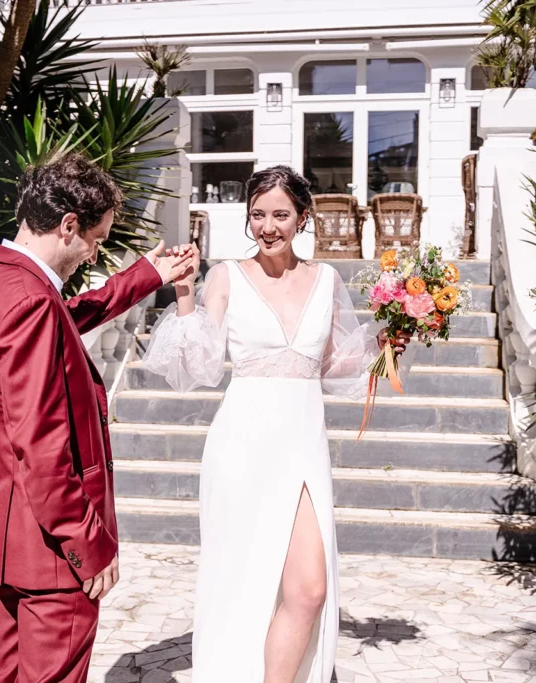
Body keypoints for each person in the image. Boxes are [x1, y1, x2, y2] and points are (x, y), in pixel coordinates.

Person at [143, 166, 410, 683]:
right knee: (244, 580)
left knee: (309, 589)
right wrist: (183, 295)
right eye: (258, 214)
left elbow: (333, 366)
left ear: (302, 218)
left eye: (280, 215)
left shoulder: (327, 279)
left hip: (303, 444)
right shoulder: (225, 275)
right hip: (241, 445)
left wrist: (387, 347)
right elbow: (197, 366)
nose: (268, 226)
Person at [0, 153, 193, 683]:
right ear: (69, 226)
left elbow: (63, 322)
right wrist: (88, 545)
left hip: (8, 538)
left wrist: (145, 276)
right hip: (51, 552)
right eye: (97, 238)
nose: (95, 252)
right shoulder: (31, 301)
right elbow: (42, 446)